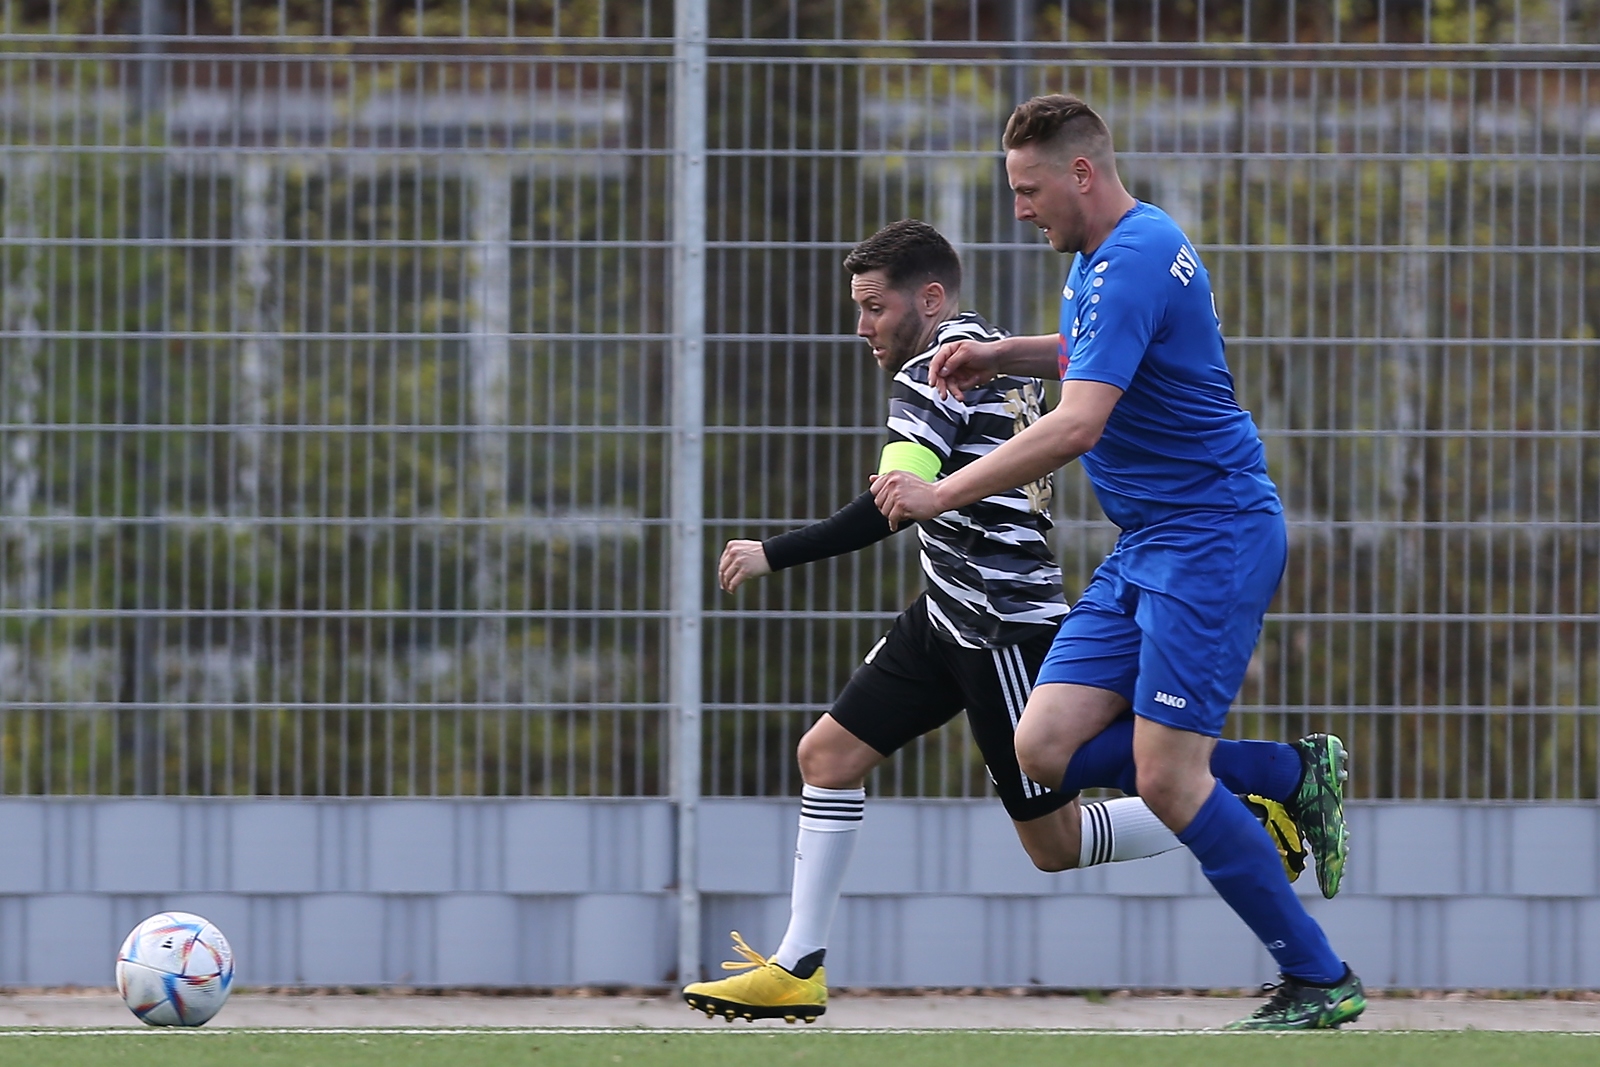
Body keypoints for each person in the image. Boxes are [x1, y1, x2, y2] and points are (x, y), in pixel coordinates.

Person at [684, 220, 1313, 1026]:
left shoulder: (928, 375)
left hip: (1000, 625)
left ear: (929, 298)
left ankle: (1246, 791)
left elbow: (893, 501)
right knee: (828, 754)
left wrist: (772, 552)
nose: (862, 327)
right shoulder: (982, 349)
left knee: (1054, 843)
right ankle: (798, 965)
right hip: (945, 612)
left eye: (874, 307)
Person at [873, 95, 1364, 1031]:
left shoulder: (1134, 256)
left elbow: (1080, 422)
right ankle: (1287, 774)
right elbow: (1095, 352)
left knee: (1168, 776)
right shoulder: (1107, 256)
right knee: (1041, 743)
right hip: (1151, 546)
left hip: (1210, 537)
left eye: (1028, 189)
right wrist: (1003, 353)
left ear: (1081, 173)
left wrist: (945, 490)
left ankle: (1319, 977)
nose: (1020, 209)